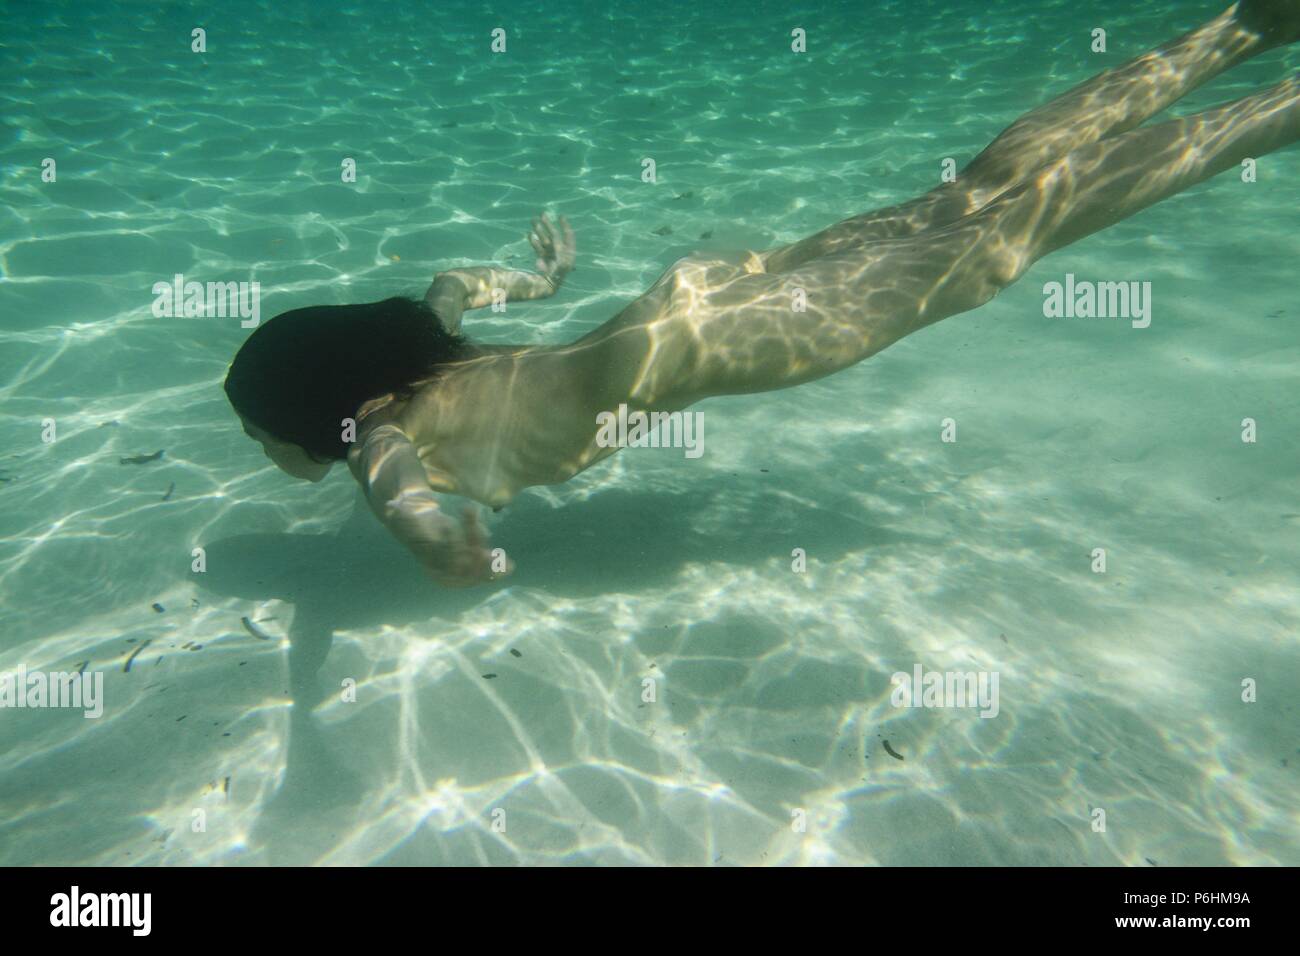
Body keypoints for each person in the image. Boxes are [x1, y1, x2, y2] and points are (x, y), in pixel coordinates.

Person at [225, 0, 1299, 587]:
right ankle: (1237, 28)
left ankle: (1277, 94)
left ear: (310, 408)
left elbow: (390, 482)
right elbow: (450, 283)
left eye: (256, 428)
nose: (262, 449)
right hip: (694, 304)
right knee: (975, 197)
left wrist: (430, 545)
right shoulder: (424, 351)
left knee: (1012, 226)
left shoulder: (377, 424)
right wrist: (543, 278)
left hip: (719, 339)